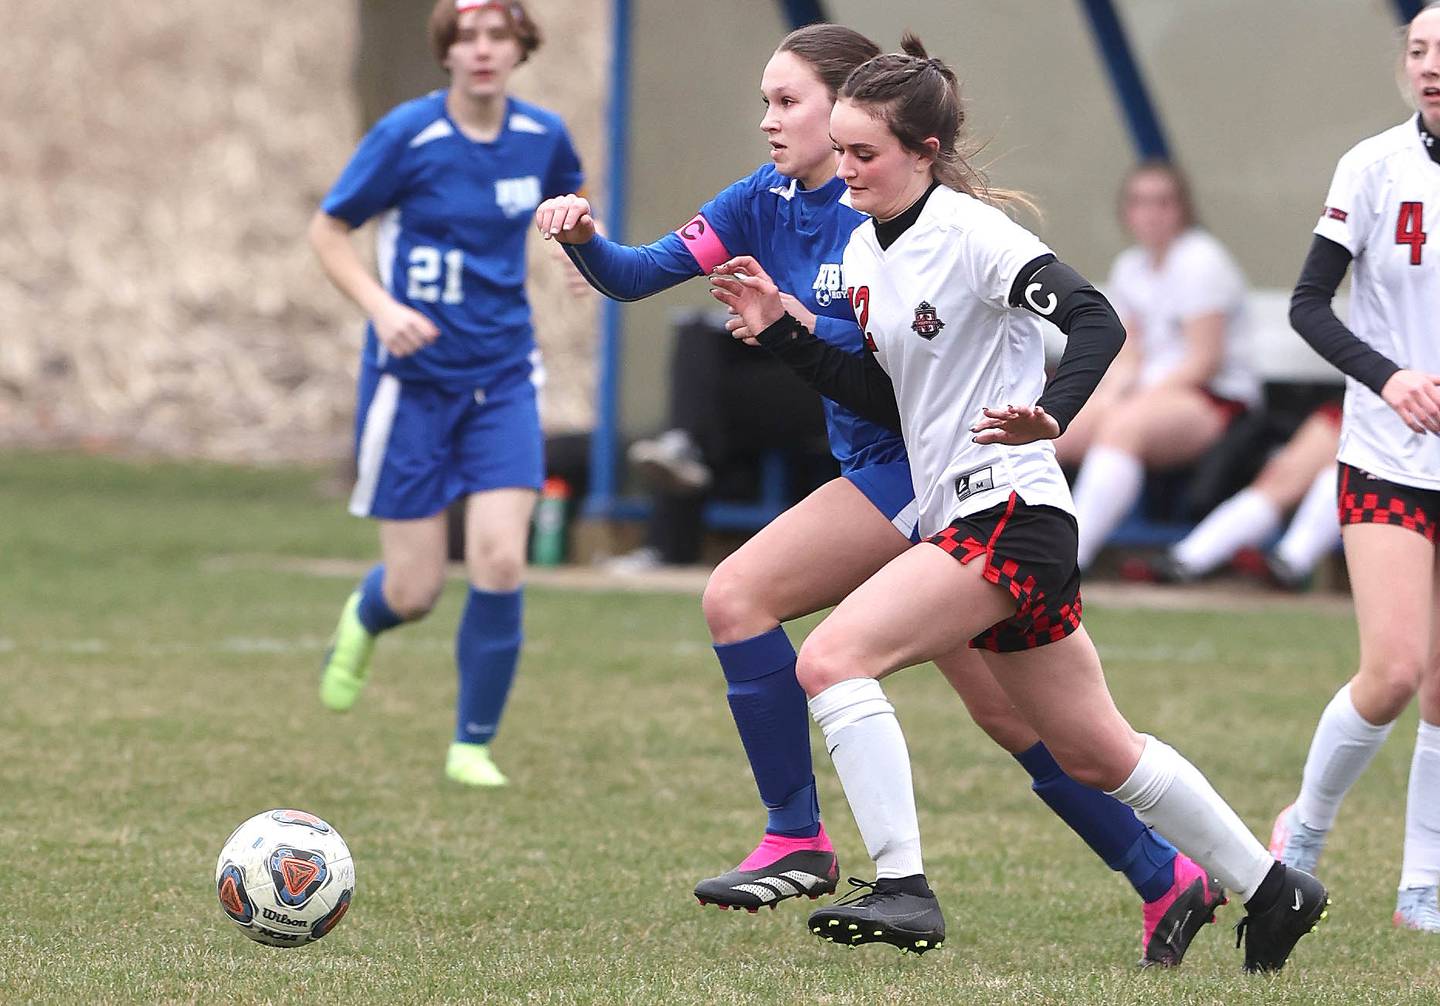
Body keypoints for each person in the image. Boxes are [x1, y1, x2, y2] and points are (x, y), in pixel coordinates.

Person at [539, 25, 1229, 968]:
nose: (771, 120)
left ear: (851, 110)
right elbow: (635, 276)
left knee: (737, 595)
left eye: (790, 102)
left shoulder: (893, 218)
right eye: (766, 101)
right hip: (899, 479)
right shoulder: (763, 198)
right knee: (1015, 721)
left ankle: (800, 839)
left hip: (921, 470)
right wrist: (584, 242)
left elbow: (917, 356)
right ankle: (1168, 878)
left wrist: (791, 321)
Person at [711, 34, 1327, 972]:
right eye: (838, 152)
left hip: (1006, 511)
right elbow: (887, 398)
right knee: (1096, 752)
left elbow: (1094, 318)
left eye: (864, 154)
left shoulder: (971, 232)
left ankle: (903, 885)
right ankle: (1276, 888)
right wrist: (782, 330)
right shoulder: (871, 255)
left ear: (923, 152)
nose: (846, 172)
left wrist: (1053, 413)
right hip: (981, 519)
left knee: (834, 659)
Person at [308, 0, 585, 787]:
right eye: (467, 36)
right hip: (411, 385)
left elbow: (571, 202)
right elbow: (328, 232)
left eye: (498, 35)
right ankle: (364, 620)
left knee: (500, 559)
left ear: (520, 46)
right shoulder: (408, 135)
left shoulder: (542, 137)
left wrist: (577, 251)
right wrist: (383, 308)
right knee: (416, 588)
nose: (483, 50)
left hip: (503, 377)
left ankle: (472, 745)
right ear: (446, 52)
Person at [1268, 2, 1440, 933]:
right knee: (1394, 669)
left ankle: (1425, 882)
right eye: (1417, 49)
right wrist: (1391, 376)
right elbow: (1307, 304)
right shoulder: (1374, 167)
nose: (1429, 65)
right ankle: (1303, 833)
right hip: (1388, 454)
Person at [1058, 162, 1260, 571]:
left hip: (1217, 398)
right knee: (1053, 429)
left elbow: (1205, 360)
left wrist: (1131, 402)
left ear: (1182, 209)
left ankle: (1068, 562)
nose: (1151, 213)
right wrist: (1105, 397)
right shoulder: (1130, 266)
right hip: (1152, 392)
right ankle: (1015, 547)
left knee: (1123, 426)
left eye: (1163, 202)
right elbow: (1129, 352)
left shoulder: (1201, 259)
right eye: (1139, 202)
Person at [607, 310, 833, 571]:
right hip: (772, 358)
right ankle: (683, 444)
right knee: (695, 331)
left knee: (701, 414)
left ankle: (667, 541)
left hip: (827, 375)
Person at [1122, 401, 1342, 588]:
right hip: (1360, 399)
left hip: (1375, 413)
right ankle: (1189, 558)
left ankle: (1294, 560)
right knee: (1281, 476)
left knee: (1345, 472)